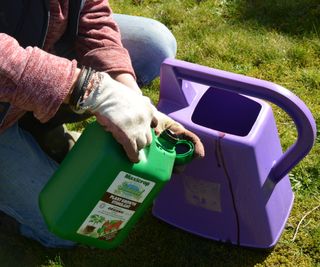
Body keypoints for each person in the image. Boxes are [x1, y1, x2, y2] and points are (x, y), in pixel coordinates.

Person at [0, 0, 205, 248]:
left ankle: (36, 126)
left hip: (36, 53)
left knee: (153, 43)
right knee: (64, 226)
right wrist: (89, 89)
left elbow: (91, 11)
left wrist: (129, 93)